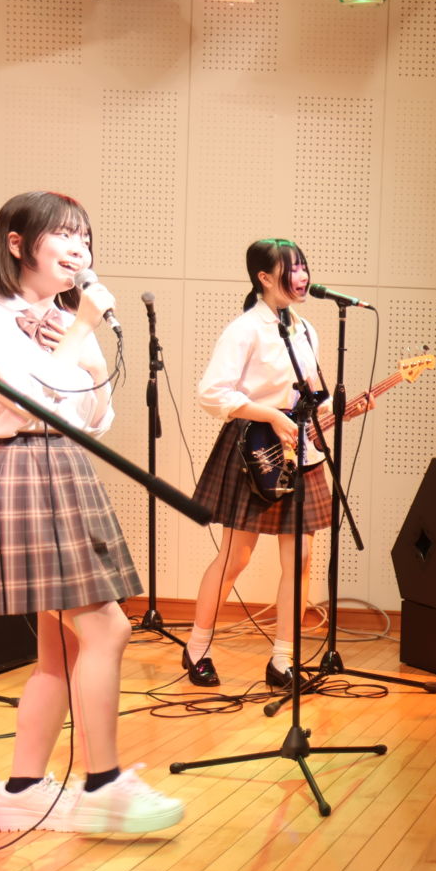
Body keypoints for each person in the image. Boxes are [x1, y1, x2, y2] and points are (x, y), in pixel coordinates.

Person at [0, 190, 184, 834]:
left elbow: (94, 416)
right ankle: (104, 786)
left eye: (85, 237)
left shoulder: (60, 318)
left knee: (59, 651)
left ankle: (22, 791)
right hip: (19, 465)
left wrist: (82, 344)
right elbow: (30, 403)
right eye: (65, 235)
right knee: (105, 630)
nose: (80, 248)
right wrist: (78, 335)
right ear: (17, 243)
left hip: (64, 464)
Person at [183, 239, 368, 690]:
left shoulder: (304, 329)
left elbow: (310, 399)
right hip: (254, 448)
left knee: (301, 559)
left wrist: (342, 410)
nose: (301, 276)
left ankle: (283, 661)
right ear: (264, 278)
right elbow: (212, 393)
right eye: (291, 268)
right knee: (235, 557)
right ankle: (197, 649)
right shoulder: (245, 329)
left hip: (300, 451)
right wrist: (269, 415)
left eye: (303, 267)